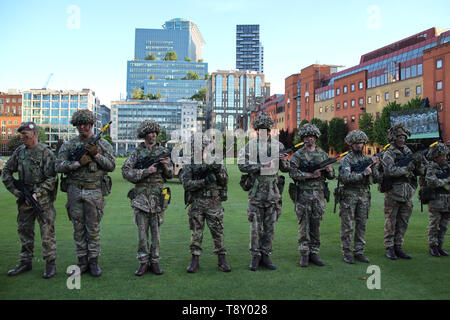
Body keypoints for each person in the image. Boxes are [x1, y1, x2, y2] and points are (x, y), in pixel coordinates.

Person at [56, 110, 115, 276]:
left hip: (94, 190)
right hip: (74, 190)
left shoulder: (103, 144)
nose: (82, 127)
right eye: (79, 124)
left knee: (93, 228)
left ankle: (94, 261)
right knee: (78, 227)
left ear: (91, 125)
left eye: (86, 124)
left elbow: (111, 166)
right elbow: (58, 165)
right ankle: (82, 261)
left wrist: (96, 155)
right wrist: (75, 164)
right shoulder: (69, 144)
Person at [2, 122, 58, 278]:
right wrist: (14, 191)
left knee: (47, 232)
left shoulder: (46, 153)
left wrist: (37, 193)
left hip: (43, 201)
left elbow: (52, 177)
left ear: (34, 134)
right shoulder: (20, 152)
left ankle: (50, 263)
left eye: (25, 135)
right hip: (24, 199)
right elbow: (6, 172)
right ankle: (25, 262)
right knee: (24, 231)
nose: (23, 138)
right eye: (21, 135)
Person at [238, 112, 289, 271]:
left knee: (269, 227)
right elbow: (242, 165)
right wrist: (261, 165)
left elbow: (286, 169)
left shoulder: (278, 146)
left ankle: (266, 255)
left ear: (269, 130)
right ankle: (255, 256)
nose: (263, 132)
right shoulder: (249, 146)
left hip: (273, 193)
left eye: (266, 129)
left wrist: (284, 161)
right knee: (255, 228)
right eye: (260, 129)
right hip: (256, 193)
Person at [122, 120, 173, 276]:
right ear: (144, 135)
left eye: (155, 133)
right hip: (141, 198)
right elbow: (125, 172)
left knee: (156, 233)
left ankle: (155, 261)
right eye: (150, 133)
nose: (153, 136)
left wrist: (165, 165)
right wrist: (146, 171)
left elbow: (170, 175)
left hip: (158, 198)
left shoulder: (163, 152)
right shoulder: (137, 153)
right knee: (142, 234)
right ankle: (143, 262)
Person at [179, 134, 231, 273]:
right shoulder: (189, 163)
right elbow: (186, 184)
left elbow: (225, 181)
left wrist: (218, 171)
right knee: (196, 233)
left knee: (218, 231)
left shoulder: (216, 161)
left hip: (214, 202)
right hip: (197, 202)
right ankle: (194, 260)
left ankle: (222, 259)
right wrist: (204, 181)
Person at [289, 123, 334, 267]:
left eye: (312, 136)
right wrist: (309, 175)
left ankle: (314, 252)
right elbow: (293, 173)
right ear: (303, 138)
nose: (310, 139)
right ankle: (304, 253)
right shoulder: (298, 155)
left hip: (319, 195)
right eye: (307, 136)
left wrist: (330, 170)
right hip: (303, 194)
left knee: (316, 224)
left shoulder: (323, 154)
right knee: (304, 224)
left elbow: (332, 176)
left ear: (316, 137)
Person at [381, 123, 425, 260]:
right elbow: (389, 171)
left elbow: (420, 171)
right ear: (394, 138)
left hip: (407, 193)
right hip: (393, 193)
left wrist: (418, 164)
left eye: (404, 137)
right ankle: (389, 247)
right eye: (399, 137)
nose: (402, 139)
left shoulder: (408, 152)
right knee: (391, 222)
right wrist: (407, 168)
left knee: (403, 222)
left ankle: (398, 246)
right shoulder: (389, 153)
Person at [337, 130, 380, 264]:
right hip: (349, 195)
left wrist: (376, 167)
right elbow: (345, 178)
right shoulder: (346, 160)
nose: (359, 145)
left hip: (364, 195)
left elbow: (377, 179)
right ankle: (347, 252)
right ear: (351, 144)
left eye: (361, 143)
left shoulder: (367, 159)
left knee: (362, 224)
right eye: (356, 143)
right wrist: (362, 174)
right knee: (348, 225)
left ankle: (359, 251)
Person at [424, 143, 449, 257]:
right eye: (442, 156)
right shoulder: (431, 167)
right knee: (435, 224)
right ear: (435, 157)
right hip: (436, 200)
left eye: (445, 155)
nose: (444, 157)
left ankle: (440, 245)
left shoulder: (447, 167)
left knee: (443, 225)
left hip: (447, 200)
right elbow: (431, 182)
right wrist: (446, 181)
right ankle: (433, 246)